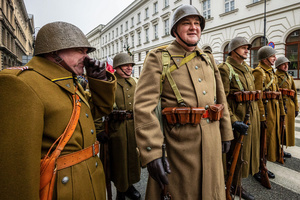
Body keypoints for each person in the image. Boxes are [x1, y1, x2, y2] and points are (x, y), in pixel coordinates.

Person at [0, 21, 116, 200]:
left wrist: (99, 81)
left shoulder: (70, 82)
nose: (87, 58)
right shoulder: (22, 83)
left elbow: (99, 110)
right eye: (80, 51)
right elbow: (17, 169)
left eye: (86, 52)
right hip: (60, 189)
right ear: (54, 50)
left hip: (87, 183)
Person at [134, 5, 233, 199]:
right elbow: (143, 107)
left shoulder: (208, 59)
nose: (193, 27)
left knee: (212, 191)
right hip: (179, 147)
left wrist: (226, 132)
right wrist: (152, 152)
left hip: (212, 140)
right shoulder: (158, 58)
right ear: (175, 30)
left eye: (197, 23)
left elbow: (221, 98)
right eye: (186, 23)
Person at [218, 37, 260, 200]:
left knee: (244, 154)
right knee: (234, 155)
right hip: (236, 119)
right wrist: (234, 121)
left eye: (247, 48)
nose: (247, 50)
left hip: (249, 117)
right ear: (233, 50)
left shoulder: (248, 69)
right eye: (243, 48)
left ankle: (237, 184)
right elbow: (222, 99)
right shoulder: (225, 69)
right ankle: (231, 186)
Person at [108, 53, 141, 200]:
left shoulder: (135, 82)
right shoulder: (110, 83)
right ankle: (121, 190)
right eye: (126, 65)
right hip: (117, 128)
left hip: (133, 126)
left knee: (133, 159)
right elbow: (99, 106)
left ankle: (129, 186)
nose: (130, 68)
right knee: (119, 161)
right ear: (117, 67)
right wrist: (100, 130)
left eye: (131, 65)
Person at [252, 46, 285, 180]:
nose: (275, 59)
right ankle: (259, 169)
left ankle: (264, 165)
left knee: (270, 140)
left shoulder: (271, 72)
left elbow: (278, 93)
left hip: (274, 111)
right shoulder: (259, 72)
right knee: (262, 142)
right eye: (272, 56)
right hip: (266, 111)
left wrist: (282, 112)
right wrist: (262, 117)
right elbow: (258, 97)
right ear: (265, 59)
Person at [275, 56, 299, 157]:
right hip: (281, 105)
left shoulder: (289, 77)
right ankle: (277, 150)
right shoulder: (275, 76)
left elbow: (294, 93)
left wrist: (297, 108)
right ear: (278, 66)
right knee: (279, 129)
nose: (286, 66)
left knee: (286, 129)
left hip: (290, 106)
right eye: (283, 64)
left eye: (287, 64)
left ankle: (282, 148)